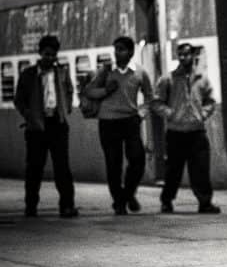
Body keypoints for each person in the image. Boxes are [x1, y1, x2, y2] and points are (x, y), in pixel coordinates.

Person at [85, 36, 154, 215]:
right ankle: (119, 201)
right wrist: (106, 90)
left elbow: (149, 95)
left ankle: (128, 194)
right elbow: (89, 91)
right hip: (108, 122)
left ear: (130, 52)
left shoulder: (139, 72)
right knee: (113, 164)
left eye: (121, 49)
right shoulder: (106, 71)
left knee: (137, 160)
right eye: (116, 49)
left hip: (130, 121)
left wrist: (142, 114)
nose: (117, 53)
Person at [151, 43, 221, 214]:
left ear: (193, 56)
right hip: (176, 133)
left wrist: (202, 115)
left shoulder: (201, 79)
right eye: (180, 55)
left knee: (201, 170)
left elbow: (210, 101)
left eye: (186, 54)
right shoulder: (168, 79)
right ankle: (166, 201)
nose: (183, 58)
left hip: (197, 132)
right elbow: (156, 102)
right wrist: (171, 114)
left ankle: (205, 203)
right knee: (173, 171)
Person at [14, 35, 77, 218]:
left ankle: (67, 205)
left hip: (57, 124)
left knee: (62, 167)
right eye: (47, 54)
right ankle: (31, 205)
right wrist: (30, 116)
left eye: (53, 55)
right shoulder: (28, 75)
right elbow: (19, 100)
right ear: (40, 53)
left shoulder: (62, 73)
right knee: (34, 167)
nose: (50, 58)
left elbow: (69, 91)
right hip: (36, 128)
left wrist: (65, 110)